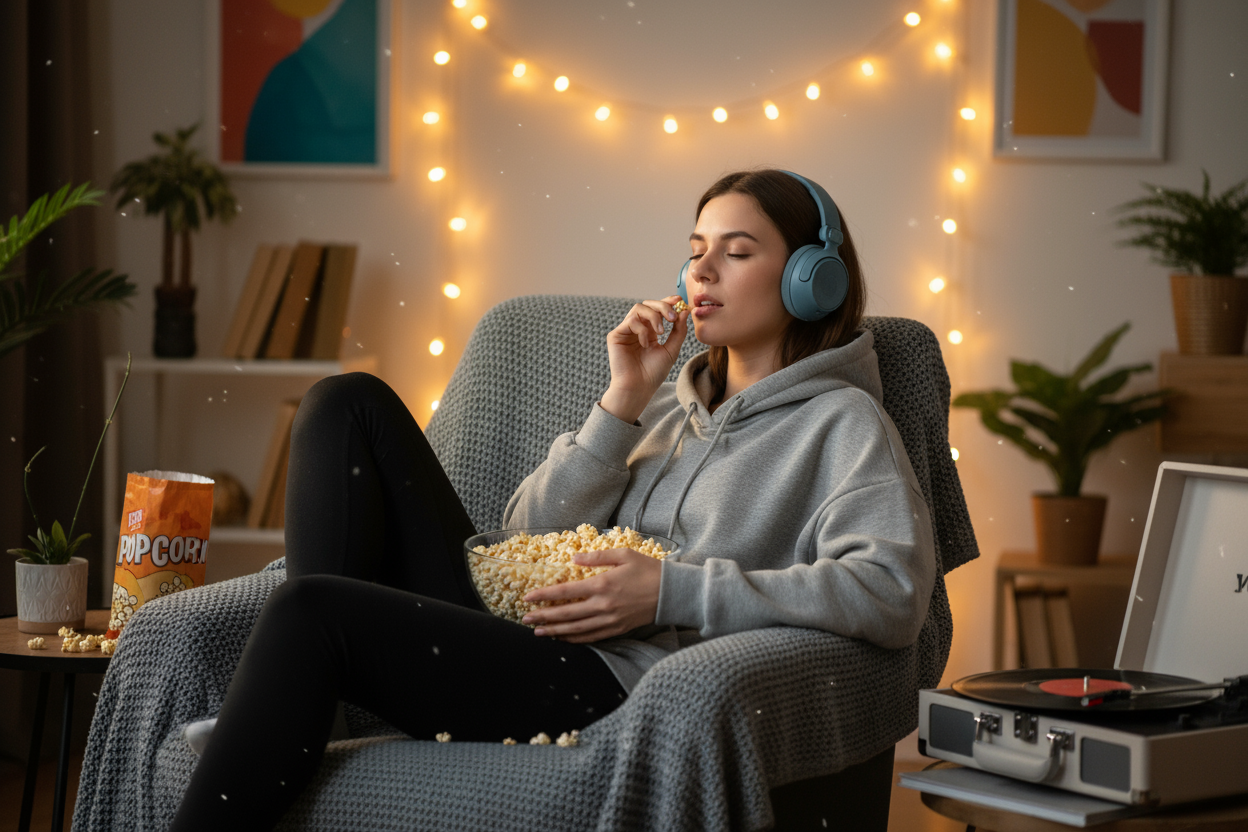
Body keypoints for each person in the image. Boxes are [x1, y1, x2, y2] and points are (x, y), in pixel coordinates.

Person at [169, 168, 936, 831]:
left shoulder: (842, 423)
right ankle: (320, 708)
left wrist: (674, 591)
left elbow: (892, 591)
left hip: (604, 679)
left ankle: (292, 716)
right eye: (695, 252)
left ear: (812, 277)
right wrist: (622, 400)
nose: (702, 273)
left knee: (310, 611)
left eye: (737, 253)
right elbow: (520, 534)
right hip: (514, 629)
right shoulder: (662, 410)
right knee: (346, 401)